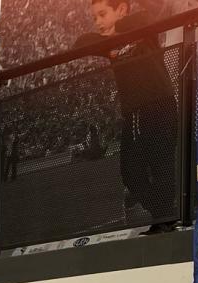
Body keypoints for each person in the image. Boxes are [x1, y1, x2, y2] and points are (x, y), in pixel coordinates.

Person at [74, 0, 179, 233]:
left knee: (160, 165)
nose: (98, 22)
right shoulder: (108, 43)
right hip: (137, 111)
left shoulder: (142, 27)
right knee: (131, 172)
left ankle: (165, 219)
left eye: (102, 14)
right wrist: (110, 38)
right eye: (95, 17)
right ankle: (164, 215)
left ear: (121, 9)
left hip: (158, 104)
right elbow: (80, 43)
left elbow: (148, 15)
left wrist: (118, 29)